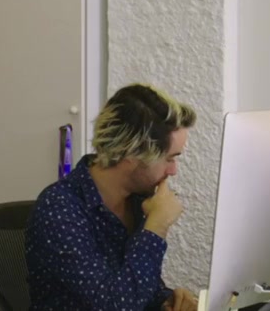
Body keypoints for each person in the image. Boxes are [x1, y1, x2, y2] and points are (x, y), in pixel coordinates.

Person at [25, 83, 199, 311]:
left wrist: (164, 299)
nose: (173, 171)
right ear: (133, 154)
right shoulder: (59, 209)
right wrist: (157, 226)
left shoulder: (137, 200)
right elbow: (115, 306)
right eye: (169, 158)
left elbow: (131, 283)